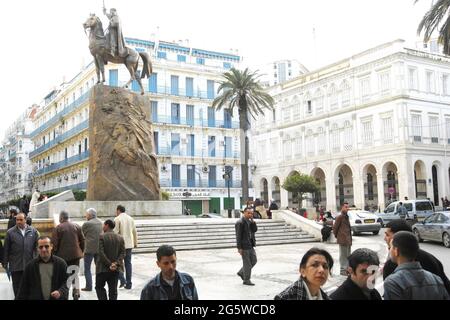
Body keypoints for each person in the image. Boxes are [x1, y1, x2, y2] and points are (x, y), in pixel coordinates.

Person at [382, 219, 450, 294]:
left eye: (387, 235)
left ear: (400, 237)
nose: (385, 238)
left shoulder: (391, 266)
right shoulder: (432, 260)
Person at [2, 213, 40, 297]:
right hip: (15, 266)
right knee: (17, 289)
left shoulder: (33, 231)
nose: (18, 222)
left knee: (30, 287)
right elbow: (6, 249)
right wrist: (5, 262)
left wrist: (36, 260)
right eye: (17, 220)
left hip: (29, 265)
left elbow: (37, 248)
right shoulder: (10, 232)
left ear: (25, 220)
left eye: (21, 220)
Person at [52, 210, 85, 300]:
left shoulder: (58, 228)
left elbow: (54, 244)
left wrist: (53, 255)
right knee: (74, 275)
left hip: (62, 258)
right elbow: (82, 240)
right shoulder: (76, 226)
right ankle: (76, 292)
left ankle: (64, 294)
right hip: (75, 256)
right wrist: (81, 251)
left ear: (61, 218)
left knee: (63, 277)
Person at [95, 220, 125, 300]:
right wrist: (116, 264)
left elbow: (101, 253)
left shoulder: (102, 237)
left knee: (99, 287)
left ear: (107, 225)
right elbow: (123, 253)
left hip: (102, 269)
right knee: (113, 291)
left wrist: (109, 264)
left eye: (103, 225)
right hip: (115, 269)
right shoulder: (120, 237)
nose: (103, 227)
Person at [114, 205, 137, 289]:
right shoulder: (131, 218)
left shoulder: (117, 219)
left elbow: (115, 233)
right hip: (129, 245)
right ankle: (129, 283)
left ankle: (123, 280)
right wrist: (135, 243)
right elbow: (134, 231)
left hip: (120, 245)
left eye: (116, 211)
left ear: (118, 210)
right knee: (128, 264)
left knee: (118, 263)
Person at [81, 208, 103, 292]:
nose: (85, 216)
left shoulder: (87, 224)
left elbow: (83, 234)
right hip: (99, 248)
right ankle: (99, 285)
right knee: (98, 268)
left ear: (90, 215)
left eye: (86, 214)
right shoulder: (101, 222)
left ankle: (89, 286)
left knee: (87, 268)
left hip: (89, 249)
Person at [235, 207, 258, 285]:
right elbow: (238, 236)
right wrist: (239, 248)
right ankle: (246, 280)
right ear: (244, 213)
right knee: (247, 263)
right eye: (248, 213)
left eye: (251, 213)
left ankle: (242, 272)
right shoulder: (240, 222)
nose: (250, 214)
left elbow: (255, 230)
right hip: (244, 246)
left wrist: (253, 222)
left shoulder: (250, 221)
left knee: (254, 260)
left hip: (251, 245)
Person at [333, 202, 352, 276]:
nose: (347, 208)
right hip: (343, 240)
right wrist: (338, 237)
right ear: (342, 208)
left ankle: (347, 269)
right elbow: (335, 228)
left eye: (348, 207)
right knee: (343, 256)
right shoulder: (340, 217)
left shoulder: (346, 217)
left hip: (348, 240)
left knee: (348, 255)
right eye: (346, 207)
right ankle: (343, 270)